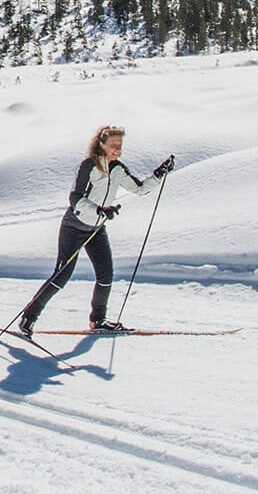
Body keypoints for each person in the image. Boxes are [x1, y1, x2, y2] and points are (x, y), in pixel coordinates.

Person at [16, 125, 173, 339]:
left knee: (106, 276)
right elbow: (75, 199)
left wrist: (159, 174)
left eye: (120, 145)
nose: (117, 149)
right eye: (113, 145)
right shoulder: (88, 166)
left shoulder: (118, 169)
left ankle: (98, 320)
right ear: (101, 144)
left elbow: (139, 189)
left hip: (97, 229)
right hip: (74, 227)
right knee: (61, 276)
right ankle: (28, 317)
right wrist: (99, 209)